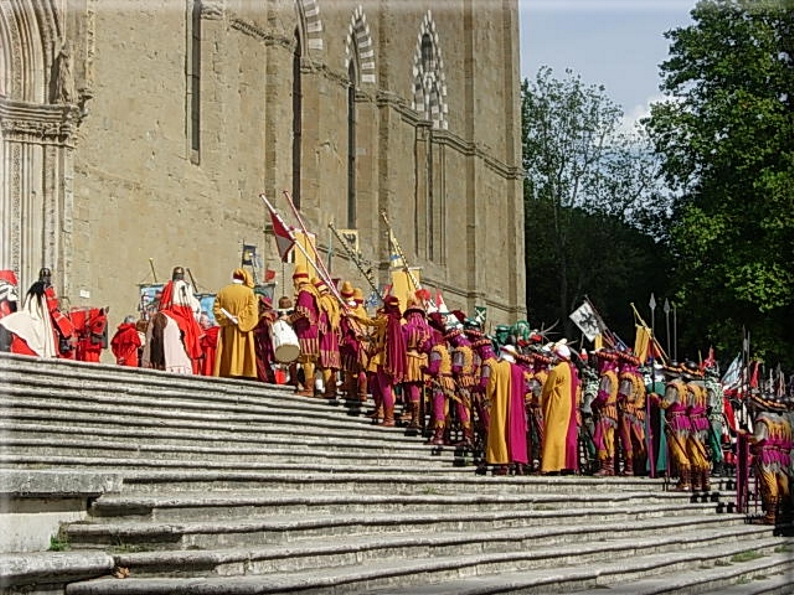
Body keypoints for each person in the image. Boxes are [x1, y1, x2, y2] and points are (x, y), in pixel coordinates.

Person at [539, 342, 580, 475]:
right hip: (568, 407)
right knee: (565, 437)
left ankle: (551, 465)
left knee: (553, 435)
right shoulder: (571, 370)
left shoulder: (556, 370)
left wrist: (541, 402)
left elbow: (547, 390)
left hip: (556, 407)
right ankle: (564, 464)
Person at [212, 268, 258, 379]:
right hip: (243, 328)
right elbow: (252, 310)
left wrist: (227, 319)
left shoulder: (223, 292)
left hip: (228, 328)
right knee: (243, 350)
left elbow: (216, 309)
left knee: (227, 349)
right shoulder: (248, 293)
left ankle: (228, 370)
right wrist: (241, 317)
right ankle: (244, 371)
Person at [158, 266, 203, 373]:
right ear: (183, 276)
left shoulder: (167, 286)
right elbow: (188, 305)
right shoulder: (184, 286)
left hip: (165, 312)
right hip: (180, 312)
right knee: (192, 330)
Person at [288, 264, 321, 396]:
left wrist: (290, 319)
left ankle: (308, 388)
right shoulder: (313, 291)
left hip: (307, 330)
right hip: (311, 329)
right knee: (309, 359)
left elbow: (303, 311)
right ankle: (310, 387)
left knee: (307, 359)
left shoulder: (305, 292)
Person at [401, 294, 431, 429]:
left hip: (410, 359)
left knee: (411, 388)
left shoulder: (406, 327)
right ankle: (419, 417)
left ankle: (415, 419)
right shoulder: (429, 329)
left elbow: (401, 345)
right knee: (420, 389)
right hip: (424, 361)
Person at [617, 351, 647, 476]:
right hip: (639, 412)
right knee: (638, 440)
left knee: (628, 439)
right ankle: (639, 466)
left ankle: (629, 467)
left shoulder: (627, 377)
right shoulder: (639, 378)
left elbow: (623, 394)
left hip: (628, 411)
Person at [592, 349, 620, 476]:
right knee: (609, 440)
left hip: (606, 412)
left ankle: (604, 466)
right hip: (613, 412)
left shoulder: (607, 377)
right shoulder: (614, 375)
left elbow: (603, 395)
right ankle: (610, 467)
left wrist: (594, 403)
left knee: (598, 438)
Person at [314, 277, 342, 398]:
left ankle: (330, 391)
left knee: (326, 363)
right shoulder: (333, 301)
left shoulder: (323, 301)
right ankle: (333, 390)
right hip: (333, 335)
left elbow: (323, 320)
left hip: (326, 335)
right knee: (332, 363)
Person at [253, 296, 277, 383]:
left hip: (264, 342)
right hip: (263, 341)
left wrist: (256, 331)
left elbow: (268, 328)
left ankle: (266, 378)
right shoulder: (270, 313)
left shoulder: (266, 315)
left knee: (265, 360)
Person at [198, 312, 219, 376]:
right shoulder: (199, 329)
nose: (208, 323)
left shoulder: (214, 330)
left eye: (208, 321)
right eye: (206, 321)